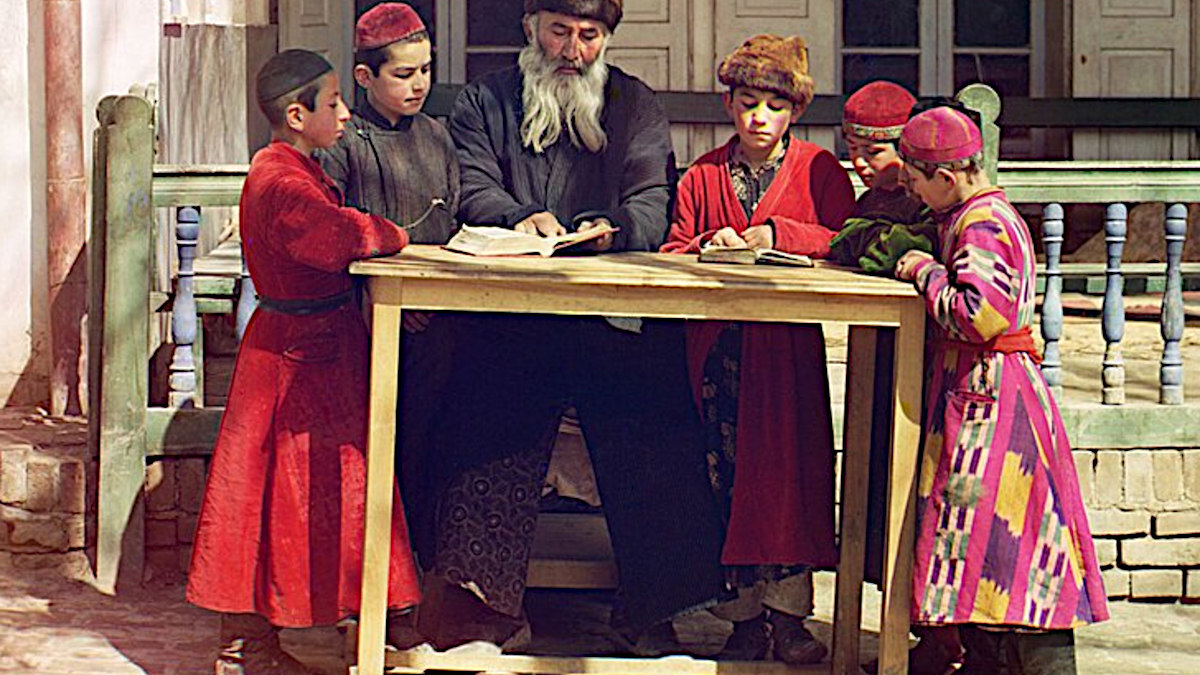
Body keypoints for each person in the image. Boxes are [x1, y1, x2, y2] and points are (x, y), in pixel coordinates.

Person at [405, 0, 727, 655]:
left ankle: (650, 609)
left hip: (611, 315)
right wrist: (520, 216)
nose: (572, 51)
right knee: (483, 410)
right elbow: (473, 187)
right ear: (531, 28)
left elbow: (652, 199)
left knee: (653, 411)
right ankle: (479, 603)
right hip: (511, 316)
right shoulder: (485, 101)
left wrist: (614, 228)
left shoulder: (635, 104)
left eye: (589, 36)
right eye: (559, 31)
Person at [186, 49, 420, 674]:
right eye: (333, 103)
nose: (344, 115)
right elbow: (340, 237)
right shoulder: (281, 181)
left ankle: (360, 621)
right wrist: (392, 232)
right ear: (296, 114)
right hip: (296, 357)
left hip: (315, 347)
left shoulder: (293, 168)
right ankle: (245, 650)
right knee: (268, 494)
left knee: (317, 488)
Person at [892, 105, 1109, 674]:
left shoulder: (983, 224)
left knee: (1017, 547)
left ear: (947, 177)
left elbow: (978, 315)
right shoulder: (971, 214)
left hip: (996, 406)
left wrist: (925, 272)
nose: (913, 192)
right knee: (982, 549)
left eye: (915, 180)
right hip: (983, 397)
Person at [661, 34, 854, 664]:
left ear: (795, 112)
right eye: (747, 104)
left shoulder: (820, 171)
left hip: (785, 353)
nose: (759, 119)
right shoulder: (702, 175)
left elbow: (845, 238)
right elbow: (673, 249)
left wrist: (778, 233)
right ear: (729, 105)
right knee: (723, 477)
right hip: (718, 353)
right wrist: (706, 247)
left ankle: (789, 618)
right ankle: (740, 618)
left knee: (789, 480)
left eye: (774, 107)